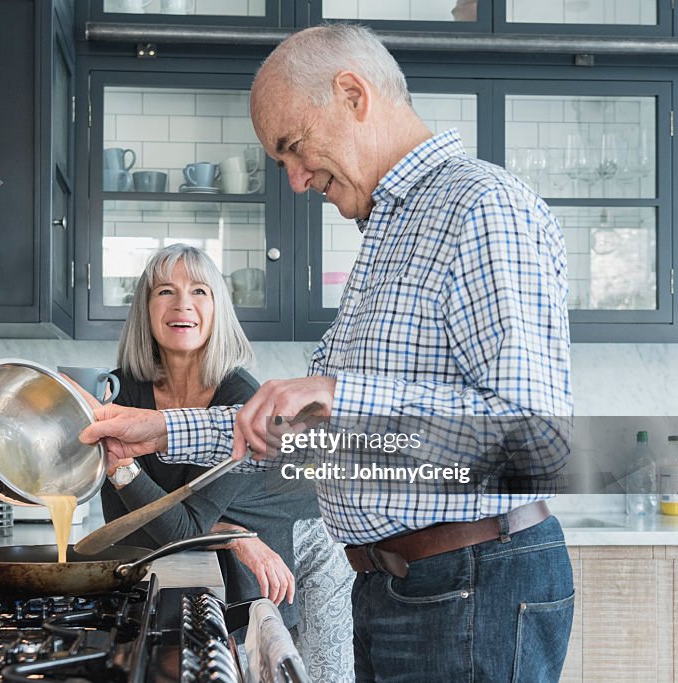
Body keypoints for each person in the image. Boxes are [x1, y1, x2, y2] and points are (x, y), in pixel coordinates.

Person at [79, 24, 574, 682]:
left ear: (352, 95)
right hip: (398, 584)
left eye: (293, 147)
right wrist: (159, 428)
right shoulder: (390, 232)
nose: (294, 179)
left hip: (470, 583)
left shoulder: (480, 207)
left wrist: (342, 395)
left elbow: (535, 441)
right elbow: (303, 435)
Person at [100, 243, 354, 681]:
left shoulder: (240, 398)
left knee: (308, 672)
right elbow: (129, 525)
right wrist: (235, 535)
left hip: (304, 540)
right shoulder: (121, 390)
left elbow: (184, 525)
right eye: (165, 291)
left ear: (218, 307)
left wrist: (122, 468)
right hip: (230, 539)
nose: (183, 304)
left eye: (200, 290)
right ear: (145, 307)